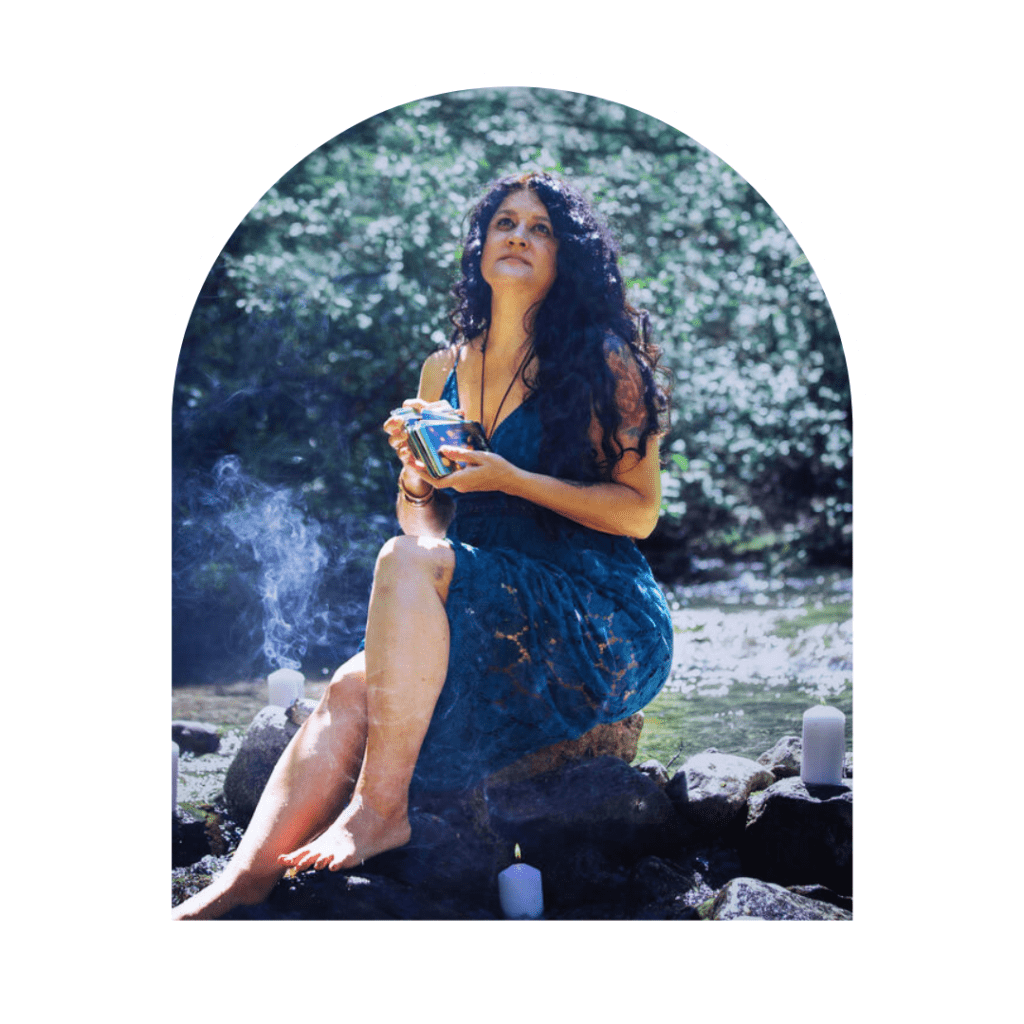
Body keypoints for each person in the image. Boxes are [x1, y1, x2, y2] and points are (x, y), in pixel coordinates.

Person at [171, 172, 673, 921]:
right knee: (347, 688)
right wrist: (415, 477)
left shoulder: (603, 361)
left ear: (566, 258)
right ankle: (243, 881)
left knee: (396, 573)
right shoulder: (442, 370)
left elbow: (640, 514)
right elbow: (423, 535)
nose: (519, 236)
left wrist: (513, 478)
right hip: (480, 592)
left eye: (541, 229)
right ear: (481, 246)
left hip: (595, 608)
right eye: (506, 221)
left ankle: (379, 810)